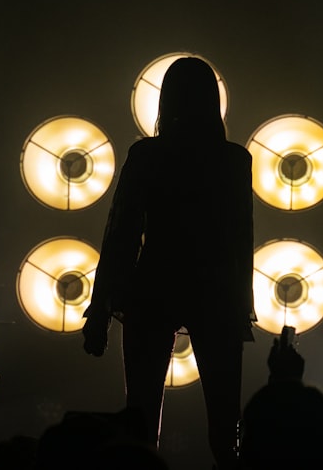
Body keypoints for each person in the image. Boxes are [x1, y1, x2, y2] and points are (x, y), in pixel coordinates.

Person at [81, 56, 255, 470]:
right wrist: (239, 306)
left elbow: (121, 235)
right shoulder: (234, 160)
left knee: (140, 419)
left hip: (153, 285)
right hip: (214, 291)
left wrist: (101, 309)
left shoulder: (146, 155)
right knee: (225, 427)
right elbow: (240, 241)